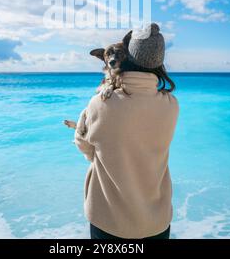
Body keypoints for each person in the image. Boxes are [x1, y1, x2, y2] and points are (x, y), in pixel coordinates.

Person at [74, 23, 179, 240]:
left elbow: (83, 143)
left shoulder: (100, 103)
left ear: (129, 57)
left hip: (109, 220)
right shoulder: (171, 104)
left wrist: (97, 156)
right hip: (156, 221)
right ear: (159, 64)